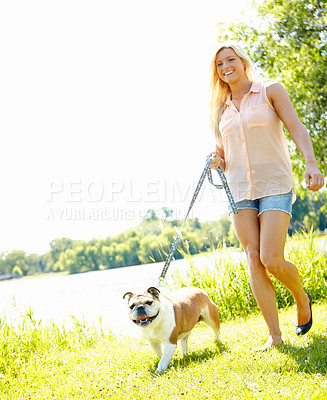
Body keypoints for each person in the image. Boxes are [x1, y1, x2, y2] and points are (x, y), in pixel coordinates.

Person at [209, 42, 325, 350]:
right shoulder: (220, 109)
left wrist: (311, 164)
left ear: (242, 61)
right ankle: (275, 336)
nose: (225, 67)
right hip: (239, 190)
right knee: (253, 258)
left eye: (230, 59)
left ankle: (302, 297)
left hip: (275, 183)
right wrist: (217, 160)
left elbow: (296, 127)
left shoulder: (271, 90)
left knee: (270, 257)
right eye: (219, 64)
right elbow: (223, 151)